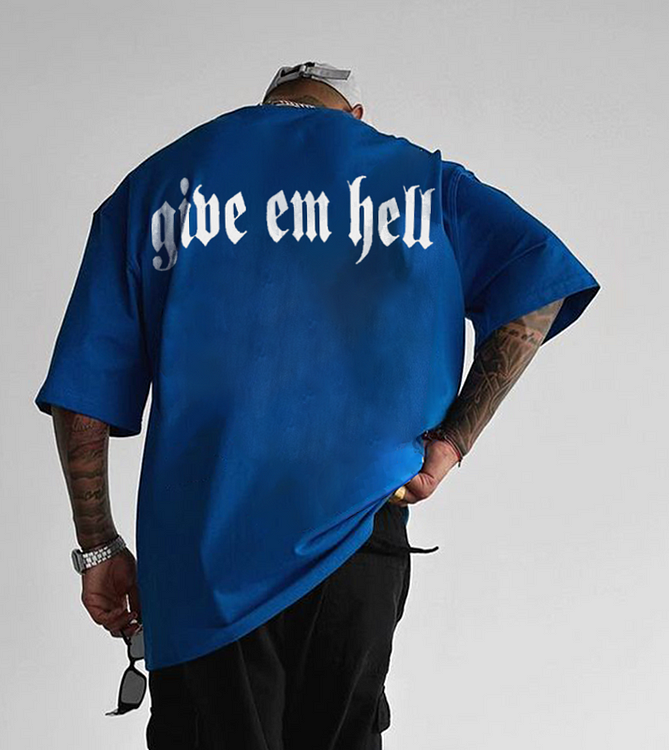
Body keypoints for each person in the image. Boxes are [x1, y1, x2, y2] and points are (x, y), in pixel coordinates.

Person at [34, 61, 600, 749]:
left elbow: (84, 391)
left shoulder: (156, 187)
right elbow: (538, 282)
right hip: (356, 535)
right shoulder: (423, 182)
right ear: (354, 116)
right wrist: (452, 442)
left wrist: (99, 547)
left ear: (268, 106)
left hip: (200, 551)